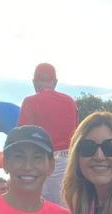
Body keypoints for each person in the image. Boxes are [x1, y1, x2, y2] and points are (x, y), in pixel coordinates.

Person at [18, 63, 78, 206]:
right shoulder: (69, 101)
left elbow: (22, 136)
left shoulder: (30, 101)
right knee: (67, 209)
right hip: (69, 160)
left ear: (34, 82)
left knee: (41, 209)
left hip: (42, 159)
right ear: (55, 82)